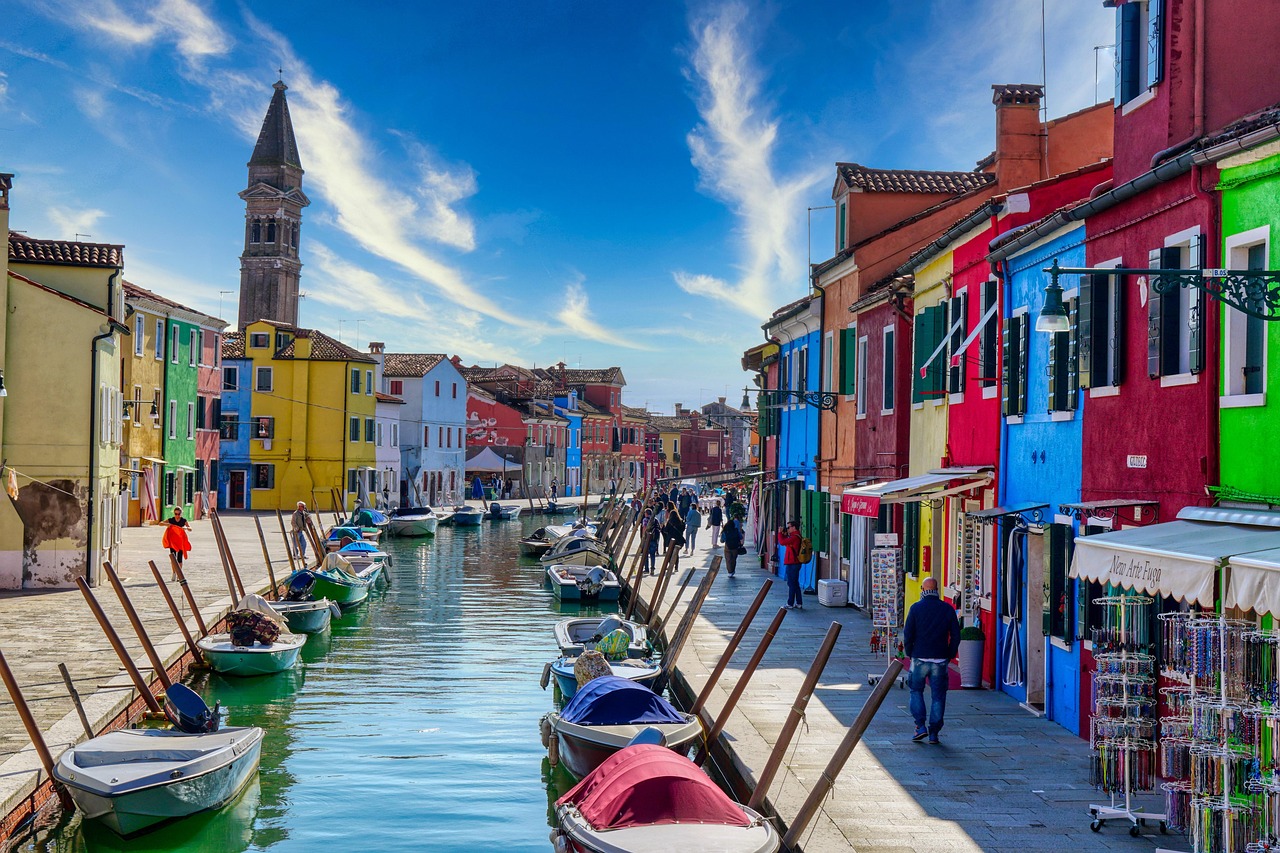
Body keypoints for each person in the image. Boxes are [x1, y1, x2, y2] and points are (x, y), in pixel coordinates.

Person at [903, 577, 962, 745]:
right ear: (937, 590)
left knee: (916, 691)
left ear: (922, 589)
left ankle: (920, 726)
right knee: (938, 696)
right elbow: (956, 635)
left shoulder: (915, 608)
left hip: (919, 657)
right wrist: (950, 653)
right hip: (940, 658)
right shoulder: (947, 609)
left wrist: (910, 653)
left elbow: (908, 635)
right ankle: (934, 733)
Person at [776, 521, 803, 610]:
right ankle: (799, 602)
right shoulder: (795, 537)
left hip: (793, 563)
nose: (787, 529)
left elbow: (782, 542)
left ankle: (790, 603)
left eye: (789, 527)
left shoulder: (795, 537)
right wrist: (783, 534)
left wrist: (779, 533)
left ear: (794, 527)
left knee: (791, 583)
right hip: (794, 562)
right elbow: (786, 541)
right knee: (795, 583)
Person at [162, 506, 191, 580]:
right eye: (176, 514)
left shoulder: (183, 520)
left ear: (181, 513)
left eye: (179, 514)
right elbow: (160, 523)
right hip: (173, 542)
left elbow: (190, 528)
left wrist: (186, 528)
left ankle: (179, 574)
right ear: (174, 513)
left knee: (179, 558)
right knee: (173, 558)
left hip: (180, 541)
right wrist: (167, 525)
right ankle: (174, 572)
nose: (177, 515)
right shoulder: (171, 520)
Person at [720, 513, 744, 577]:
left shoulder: (725, 531)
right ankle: (732, 570)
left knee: (728, 560)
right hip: (735, 547)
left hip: (727, 546)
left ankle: (730, 571)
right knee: (733, 559)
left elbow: (722, 540)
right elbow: (741, 537)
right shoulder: (736, 530)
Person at [641, 509, 659, 574]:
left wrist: (643, 537)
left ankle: (646, 569)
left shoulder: (645, 519)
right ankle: (652, 568)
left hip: (647, 539)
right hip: (654, 539)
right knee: (652, 555)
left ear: (646, 513)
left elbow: (644, 528)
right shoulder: (655, 519)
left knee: (645, 554)